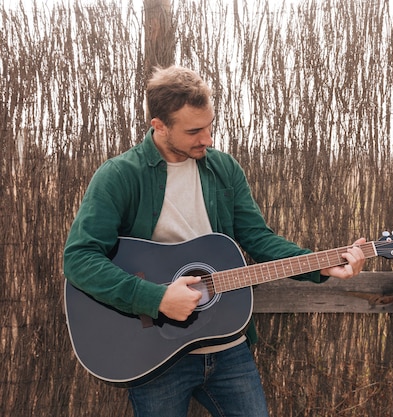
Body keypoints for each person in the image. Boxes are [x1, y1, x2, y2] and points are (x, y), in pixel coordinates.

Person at [63, 65, 366, 417]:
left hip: (228, 347)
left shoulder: (224, 168)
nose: (207, 138)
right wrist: (156, 297)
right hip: (153, 355)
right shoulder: (119, 176)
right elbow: (79, 258)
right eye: (194, 130)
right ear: (158, 125)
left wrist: (318, 264)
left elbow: (257, 238)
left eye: (209, 126)